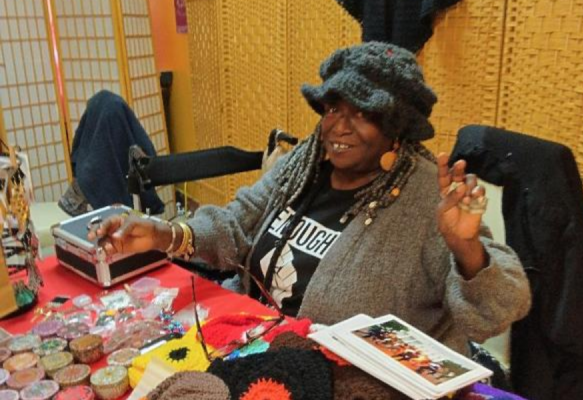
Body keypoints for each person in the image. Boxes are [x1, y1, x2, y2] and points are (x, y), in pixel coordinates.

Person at [89, 42, 531, 355]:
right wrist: (162, 233)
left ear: (397, 127)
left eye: (363, 114)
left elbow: (495, 313)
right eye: (334, 108)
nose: (339, 126)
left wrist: (466, 248)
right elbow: (237, 226)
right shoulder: (307, 161)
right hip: (255, 344)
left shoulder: (420, 196)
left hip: (355, 381)